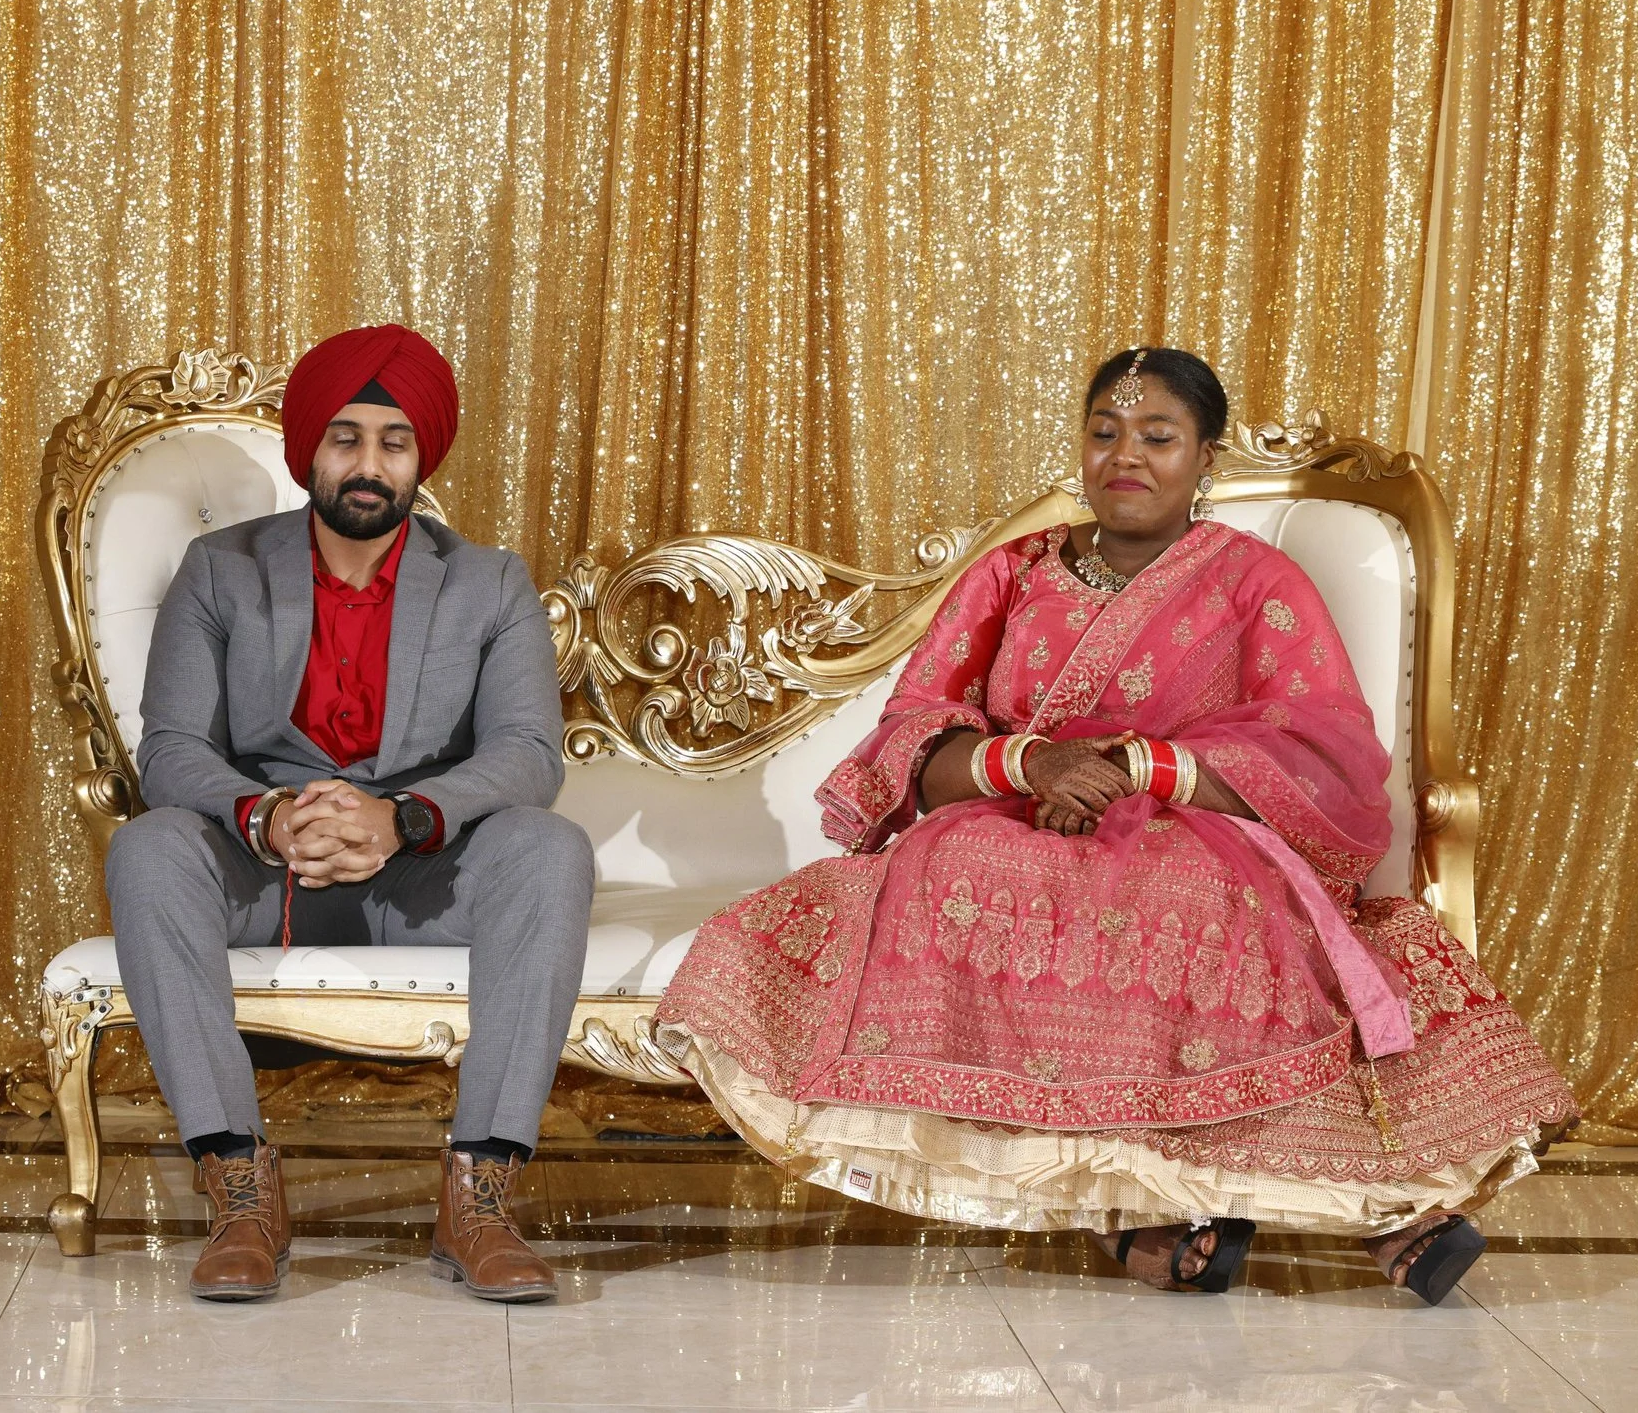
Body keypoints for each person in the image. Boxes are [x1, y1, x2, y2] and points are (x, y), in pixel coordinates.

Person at [658, 347, 1576, 1304]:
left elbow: (1328, 752)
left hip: (1195, 829)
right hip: (1010, 821)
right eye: (1105, 432)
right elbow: (916, 729)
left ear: (1204, 458)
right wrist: (1034, 761)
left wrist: (1141, 767)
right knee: (961, 868)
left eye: (1157, 436)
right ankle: (1133, 1210)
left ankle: (1359, 1204)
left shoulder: (1254, 581)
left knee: (1183, 895)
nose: (1125, 455)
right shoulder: (1011, 574)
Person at [107, 323, 595, 1304]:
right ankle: (240, 1184)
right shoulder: (220, 569)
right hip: (259, 866)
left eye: (392, 440)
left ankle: (479, 1192)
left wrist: (401, 816)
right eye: (345, 436)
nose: (368, 463)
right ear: (309, 450)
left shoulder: (489, 582)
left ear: (422, 456)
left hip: (418, 869)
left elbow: (525, 756)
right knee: (148, 847)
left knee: (549, 849)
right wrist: (269, 812)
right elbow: (168, 750)